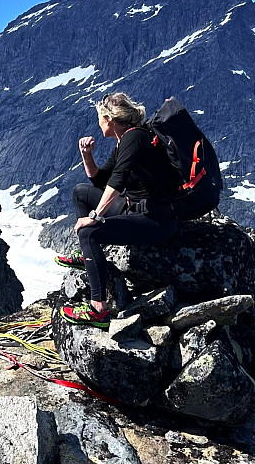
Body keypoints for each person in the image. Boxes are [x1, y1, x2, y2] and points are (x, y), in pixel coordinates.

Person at [55, 93, 179, 328]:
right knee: (80, 192)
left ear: (109, 119)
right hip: (135, 209)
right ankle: (87, 255)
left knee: (89, 232)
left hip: (155, 220)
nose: (99, 123)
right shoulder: (125, 140)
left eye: (100, 118)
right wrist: (87, 156)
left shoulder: (134, 139)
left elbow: (118, 180)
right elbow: (101, 181)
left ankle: (98, 310)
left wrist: (95, 216)